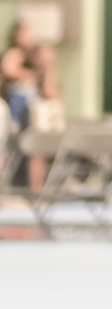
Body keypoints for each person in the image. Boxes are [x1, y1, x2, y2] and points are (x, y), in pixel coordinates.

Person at [1, 20, 62, 190]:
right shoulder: (15, 55)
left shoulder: (37, 60)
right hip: (16, 112)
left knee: (38, 150)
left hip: (35, 115)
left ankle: (37, 188)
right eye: (26, 33)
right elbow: (10, 69)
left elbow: (52, 93)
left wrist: (47, 65)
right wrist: (30, 76)